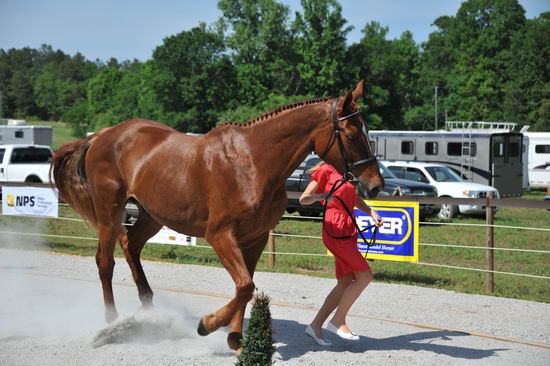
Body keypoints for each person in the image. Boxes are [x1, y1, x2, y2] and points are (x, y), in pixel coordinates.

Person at [299, 161, 383, 346]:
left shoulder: (347, 169)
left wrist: (371, 212)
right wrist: (322, 196)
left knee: (345, 282)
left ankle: (315, 326)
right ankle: (338, 321)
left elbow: (352, 198)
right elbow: (304, 198)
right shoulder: (325, 170)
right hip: (335, 228)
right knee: (365, 276)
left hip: (347, 228)